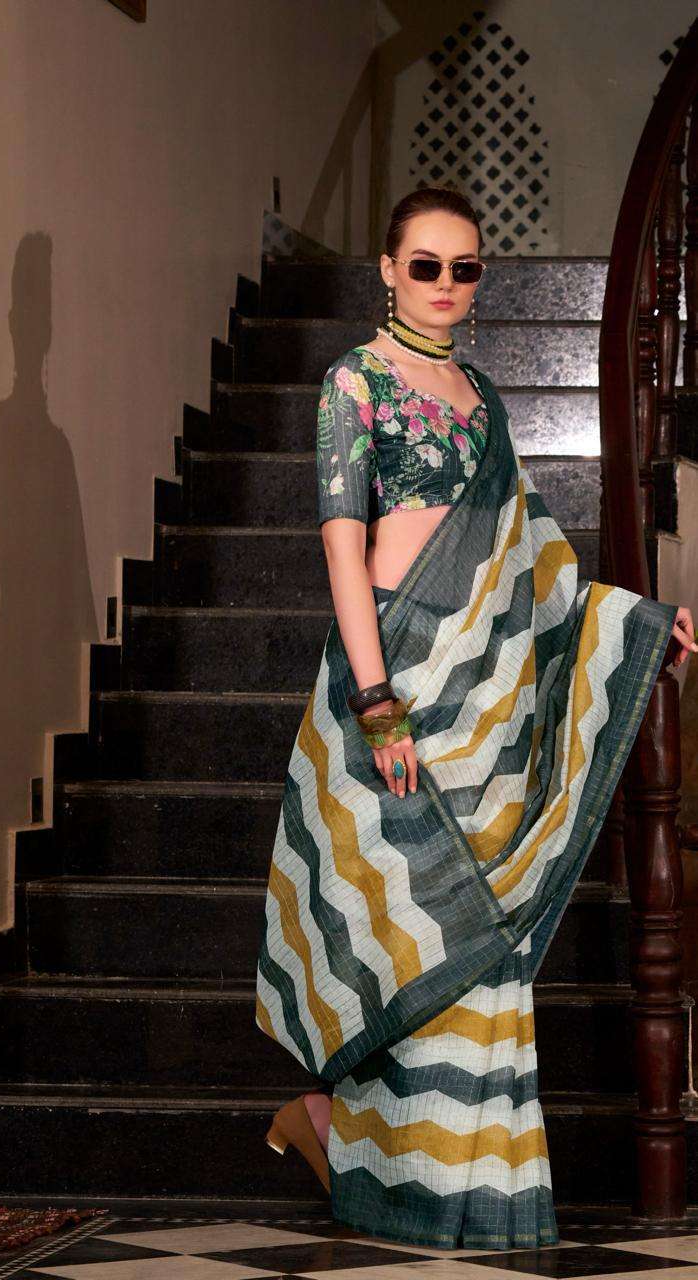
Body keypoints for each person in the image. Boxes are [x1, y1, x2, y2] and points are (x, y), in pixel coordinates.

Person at [255, 184, 697, 1250]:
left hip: (488, 703)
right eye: (425, 265)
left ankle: (431, 1175)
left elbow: (536, 561)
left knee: (482, 937)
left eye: (464, 268)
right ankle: (367, 1148)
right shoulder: (354, 382)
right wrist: (374, 701)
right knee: (412, 926)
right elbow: (343, 550)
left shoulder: (482, 396)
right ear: (387, 269)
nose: (445, 285)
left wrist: (636, 624)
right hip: (395, 681)